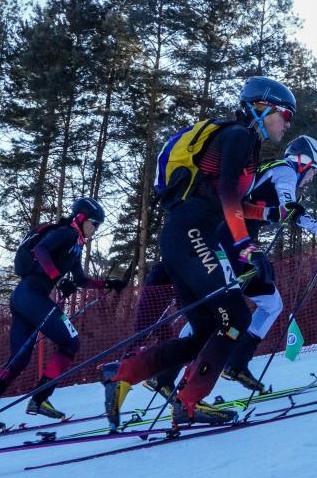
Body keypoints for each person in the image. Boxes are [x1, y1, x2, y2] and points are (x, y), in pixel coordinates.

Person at [101, 77, 295, 429]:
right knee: (236, 318)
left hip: (187, 235)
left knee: (206, 328)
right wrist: (246, 246)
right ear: (262, 108)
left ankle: (125, 375)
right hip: (192, 233)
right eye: (285, 115)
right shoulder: (240, 136)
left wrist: (270, 213)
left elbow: (232, 201)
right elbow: (227, 195)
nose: (287, 124)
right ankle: (188, 401)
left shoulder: (245, 144)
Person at [0, 197, 124, 432]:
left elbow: (80, 279)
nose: (96, 228)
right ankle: (39, 399)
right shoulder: (66, 233)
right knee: (71, 342)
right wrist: (57, 279)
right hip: (32, 296)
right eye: (94, 223)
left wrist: (108, 283)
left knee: (18, 360)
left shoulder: (76, 245)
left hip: (24, 297)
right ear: (81, 218)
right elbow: (41, 250)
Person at [220, 134, 317, 391]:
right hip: (229, 240)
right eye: (314, 171)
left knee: (271, 304)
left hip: (242, 244)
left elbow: (289, 211)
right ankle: (171, 376)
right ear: (304, 162)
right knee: (217, 310)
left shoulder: (277, 170)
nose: (311, 178)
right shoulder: (285, 170)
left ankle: (236, 364)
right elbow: (289, 204)